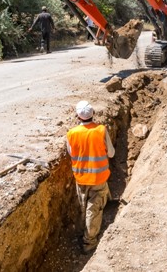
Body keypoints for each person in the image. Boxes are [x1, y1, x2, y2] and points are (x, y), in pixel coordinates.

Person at [66, 100, 115, 253]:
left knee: (83, 207)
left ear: (77, 116)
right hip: (99, 178)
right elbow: (111, 153)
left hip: (81, 179)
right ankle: (89, 242)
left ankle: (82, 231)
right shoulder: (101, 130)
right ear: (93, 114)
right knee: (92, 210)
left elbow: (71, 153)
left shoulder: (71, 133)